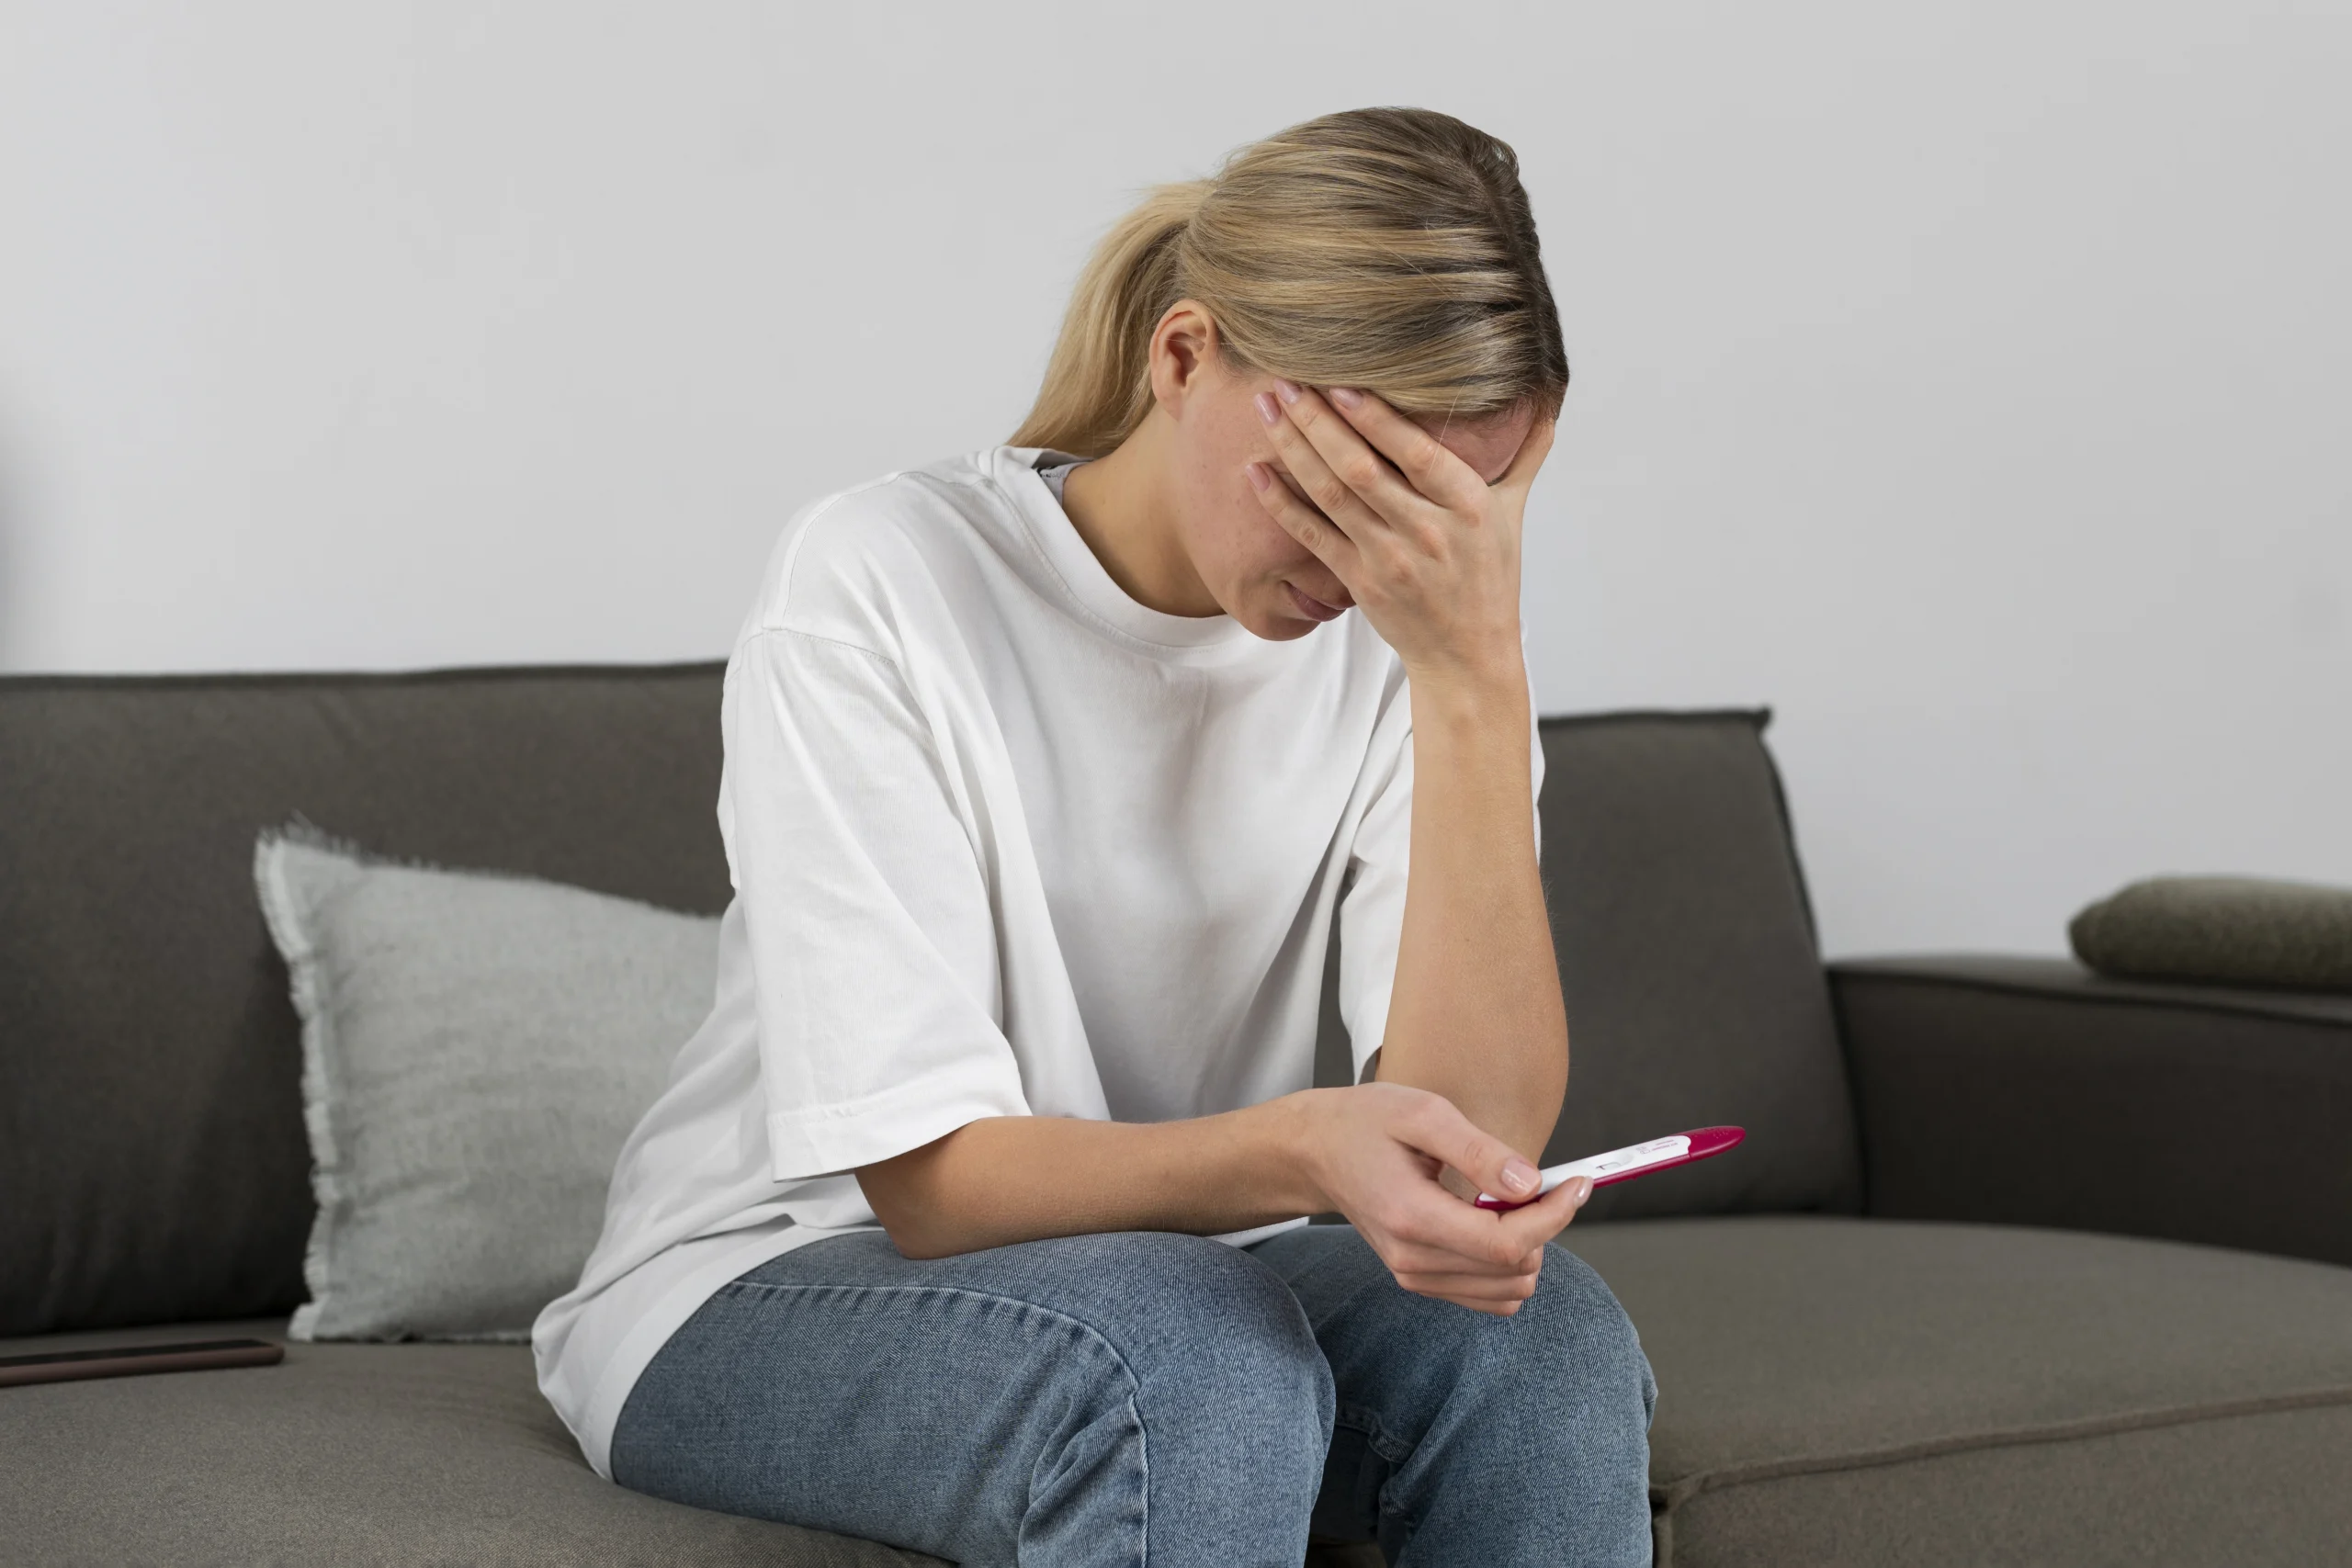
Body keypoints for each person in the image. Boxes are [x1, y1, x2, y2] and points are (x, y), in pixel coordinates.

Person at [532, 105, 1657, 1566]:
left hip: (1178, 1273)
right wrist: (1311, 1147)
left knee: (1544, 1338)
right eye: (1337, 484)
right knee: (1181, 1358)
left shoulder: (1421, 637)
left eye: (1434, 513)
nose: (1371, 557)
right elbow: (930, 1184)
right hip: (771, 1273)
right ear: (1184, 357)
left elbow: (1471, 1147)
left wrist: (1474, 676)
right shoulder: (880, 580)